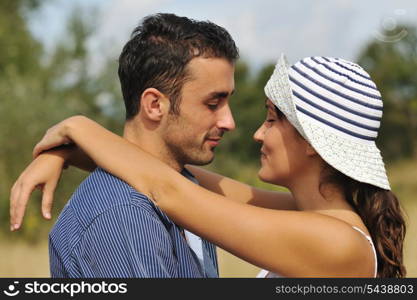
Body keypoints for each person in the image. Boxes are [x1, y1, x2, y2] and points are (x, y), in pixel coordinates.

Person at [11, 55, 406, 277]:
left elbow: (168, 190)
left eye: (272, 119)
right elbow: (167, 172)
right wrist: (62, 152)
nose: (255, 133)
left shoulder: (336, 243)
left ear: (312, 144)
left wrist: (77, 125)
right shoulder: (319, 219)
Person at [10, 12, 244, 278]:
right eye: (213, 103)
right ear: (155, 105)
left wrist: (73, 143)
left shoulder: (187, 188)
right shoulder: (124, 215)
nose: (229, 121)